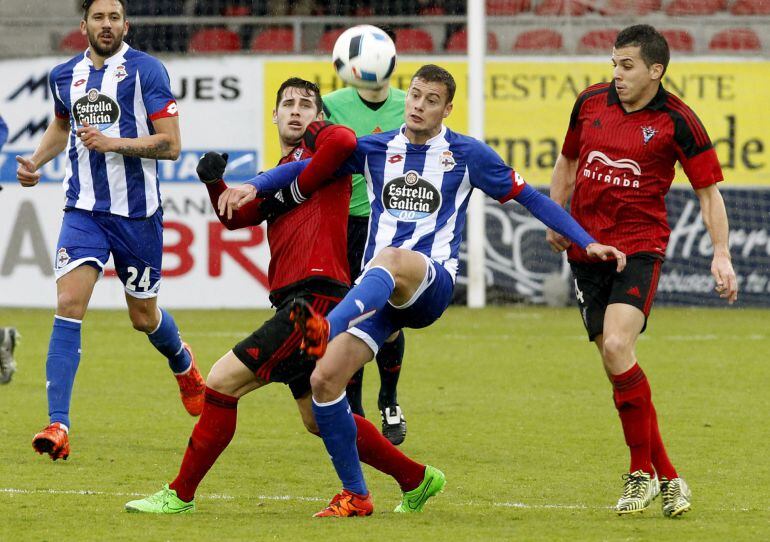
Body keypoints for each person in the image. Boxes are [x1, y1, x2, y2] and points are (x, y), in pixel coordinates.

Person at [220, 64, 627, 517]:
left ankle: (325, 327)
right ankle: (361, 493)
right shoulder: (375, 148)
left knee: (391, 259)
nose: (417, 105)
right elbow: (309, 167)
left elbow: (530, 197)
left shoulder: (467, 154)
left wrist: (586, 241)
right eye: (414, 95)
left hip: (430, 282)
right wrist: (251, 185)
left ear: (447, 108)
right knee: (323, 383)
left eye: (430, 100)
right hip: (380, 296)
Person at [124, 77, 445, 516]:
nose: (296, 110)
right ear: (273, 115)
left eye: (307, 105)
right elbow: (239, 218)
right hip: (299, 299)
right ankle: (416, 477)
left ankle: (178, 495)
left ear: (319, 117)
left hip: (314, 299)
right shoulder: (283, 165)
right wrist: (214, 184)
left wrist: (312, 142)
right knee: (318, 418)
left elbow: (344, 140)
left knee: (220, 381)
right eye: (288, 104)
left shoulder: (327, 155)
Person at [545, 25, 738, 517]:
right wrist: (555, 214)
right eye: (614, 63)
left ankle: (639, 474)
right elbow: (567, 161)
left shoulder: (679, 120)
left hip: (640, 249)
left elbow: (708, 193)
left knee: (616, 346)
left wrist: (721, 254)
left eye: (627, 65)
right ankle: (669, 477)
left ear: (656, 70)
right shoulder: (590, 102)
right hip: (586, 250)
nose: (617, 74)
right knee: (617, 366)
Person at [16, 0, 205, 462]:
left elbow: (172, 145)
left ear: (126, 24)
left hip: (137, 216)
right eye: (98, 18)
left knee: (143, 317)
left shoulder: (147, 71)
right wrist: (37, 162)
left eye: (114, 18)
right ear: (84, 25)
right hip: (83, 211)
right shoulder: (64, 76)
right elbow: (62, 127)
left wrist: (113, 142)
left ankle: (182, 362)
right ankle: (58, 424)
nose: (106, 25)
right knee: (68, 304)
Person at [323, 27, 409, 445]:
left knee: (390, 318)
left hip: (391, 228)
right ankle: (353, 408)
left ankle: (389, 397)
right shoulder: (331, 106)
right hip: (345, 224)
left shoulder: (408, 106)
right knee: (350, 316)